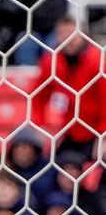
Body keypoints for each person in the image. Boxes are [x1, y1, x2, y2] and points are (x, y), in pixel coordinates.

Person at [33, 17, 106, 159]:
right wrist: (40, 126)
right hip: (69, 129)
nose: (68, 39)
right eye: (63, 34)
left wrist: (103, 135)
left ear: (83, 34)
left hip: (95, 129)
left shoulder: (97, 60)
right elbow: (38, 96)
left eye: (72, 34)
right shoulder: (51, 61)